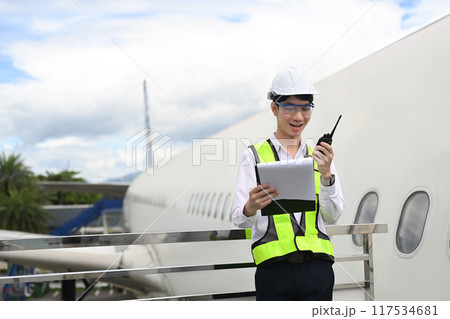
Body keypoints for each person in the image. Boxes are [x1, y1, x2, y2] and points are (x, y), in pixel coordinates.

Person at [231, 66, 344, 301]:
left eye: (305, 108)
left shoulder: (321, 157)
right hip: (273, 272)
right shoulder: (253, 156)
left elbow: (333, 216)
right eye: (290, 108)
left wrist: (327, 178)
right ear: (274, 108)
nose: (298, 117)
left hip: (318, 270)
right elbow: (239, 219)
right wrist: (250, 206)